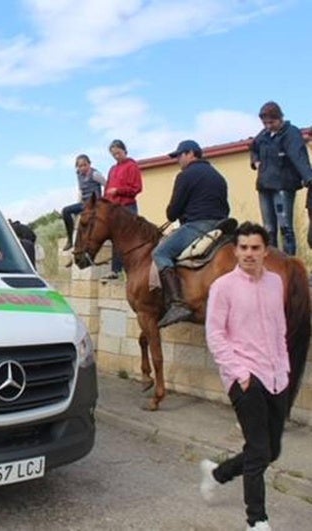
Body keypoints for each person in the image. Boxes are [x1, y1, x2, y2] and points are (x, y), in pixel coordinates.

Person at [201, 222, 288, 531]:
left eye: (255, 248)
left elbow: (280, 329)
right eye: (243, 248)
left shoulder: (276, 282)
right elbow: (215, 335)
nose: (249, 253)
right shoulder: (223, 287)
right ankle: (257, 520)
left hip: (277, 375)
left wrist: (285, 367)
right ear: (235, 251)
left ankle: (217, 474)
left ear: (265, 251)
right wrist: (239, 373)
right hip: (245, 377)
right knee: (258, 448)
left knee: (271, 450)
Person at [154, 140, 230, 328]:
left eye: (179, 155)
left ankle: (177, 304)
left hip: (198, 226)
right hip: (221, 226)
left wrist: (175, 213)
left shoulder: (186, 175)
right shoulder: (218, 176)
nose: (178, 160)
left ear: (190, 153)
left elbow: (172, 213)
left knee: (160, 253)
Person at [251, 101, 312, 256]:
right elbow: (253, 147)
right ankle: (272, 264)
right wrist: (255, 161)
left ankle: (289, 262)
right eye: (265, 123)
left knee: (285, 228)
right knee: (269, 229)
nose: (268, 126)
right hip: (264, 185)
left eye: (271, 122)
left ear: (279, 118)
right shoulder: (263, 135)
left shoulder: (291, 133)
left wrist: (309, 178)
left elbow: (298, 155)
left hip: (283, 185)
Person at [102, 139, 143, 280]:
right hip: (114, 208)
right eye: (113, 154)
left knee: (128, 238)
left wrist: (118, 191)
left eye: (118, 153)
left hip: (127, 206)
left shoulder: (132, 166)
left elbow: (137, 188)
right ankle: (116, 270)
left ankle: (131, 270)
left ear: (124, 151)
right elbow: (107, 188)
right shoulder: (112, 169)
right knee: (115, 238)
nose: (116, 156)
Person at [61, 154, 106, 251]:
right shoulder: (79, 175)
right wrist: (76, 209)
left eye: (85, 165)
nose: (83, 168)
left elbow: (107, 185)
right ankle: (70, 240)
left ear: (89, 164)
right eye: (80, 166)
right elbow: (81, 191)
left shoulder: (95, 174)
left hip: (95, 204)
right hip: (84, 203)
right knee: (65, 211)